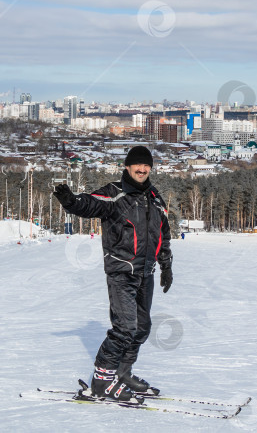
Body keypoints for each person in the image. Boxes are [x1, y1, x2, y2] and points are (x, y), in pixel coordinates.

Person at [53, 146, 173, 404]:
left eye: (146, 166)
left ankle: (122, 373)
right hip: (122, 271)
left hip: (146, 273)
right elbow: (90, 204)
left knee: (142, 328)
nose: (142, 170)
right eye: (137, 165)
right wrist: (71, 201)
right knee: (125, 328)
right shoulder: (115, 193)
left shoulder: (155, 198)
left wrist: (166, 265)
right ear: (128, 167)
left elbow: (163, 235)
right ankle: (101, 381)